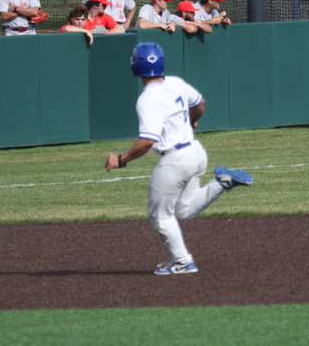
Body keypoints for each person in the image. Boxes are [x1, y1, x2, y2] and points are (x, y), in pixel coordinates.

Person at [105, 42, 253, 275]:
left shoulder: (147, 100)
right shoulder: (175, 83)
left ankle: (183, 262)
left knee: (159, 216)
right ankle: (222, 182)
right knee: (184, 210)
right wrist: (193, 120)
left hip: (175, 160)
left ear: (134, 66)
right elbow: (200, 103)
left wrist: (120, 160)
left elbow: (146, 142)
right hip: (195, 152)